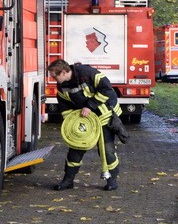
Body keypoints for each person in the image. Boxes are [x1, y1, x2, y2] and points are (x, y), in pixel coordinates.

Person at [47, 58, 127, 191]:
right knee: (76, 148)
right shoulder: (62, 86)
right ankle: (68, 180)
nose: (53, 79)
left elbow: (107, 89)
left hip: (105, 115)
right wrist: (71, 122)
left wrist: (90, 106)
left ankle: (112, 180)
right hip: (85, 120)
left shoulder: (87, 73)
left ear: (63, 72)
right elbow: (64, 104)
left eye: (54, 76)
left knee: (107, 151)